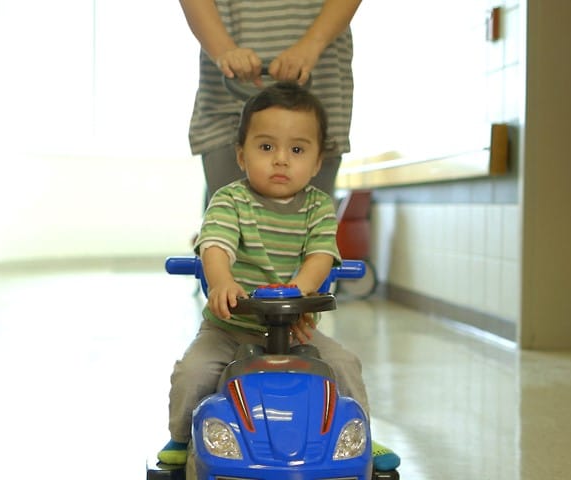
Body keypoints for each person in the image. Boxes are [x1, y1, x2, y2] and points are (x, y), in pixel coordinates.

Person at [158, 82, 399, 472]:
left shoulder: (319, 207)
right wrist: (220, 280)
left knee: (344, 362)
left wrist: (298, 291)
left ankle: (359, 438)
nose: (281, 160)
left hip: (298, 327)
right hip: (230, 327)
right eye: (266, 147)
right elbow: (215, 244)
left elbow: (321, 256)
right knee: (193, 371)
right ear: (241, 154)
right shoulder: (230, 201)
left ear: (318, 162)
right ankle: (182, 437)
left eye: (297, 149)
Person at [179, 0, 360, 208]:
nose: (280, 160)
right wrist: (224, 50)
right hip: (228, 96)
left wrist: (312, 44)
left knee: (311, 228)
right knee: (228, 224)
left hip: (320, 85)